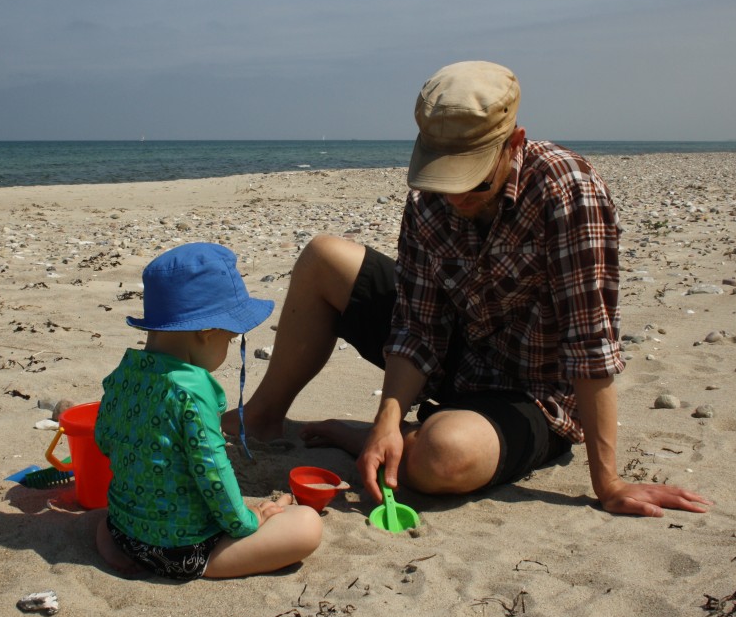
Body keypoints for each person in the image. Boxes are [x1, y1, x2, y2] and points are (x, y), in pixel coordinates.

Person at [225, 61, 711, 518]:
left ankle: (376, 438)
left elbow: (590, 341)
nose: (454, 196)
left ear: (514, 142)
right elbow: (416, 324)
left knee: (440, 458)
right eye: (443, 178)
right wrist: (389, 415)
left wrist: (608, 484)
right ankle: (266, 418)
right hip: (451, 355)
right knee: (323, 257)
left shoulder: (567, 190)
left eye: (472, 181)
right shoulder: (430, 200)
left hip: (530, 391)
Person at [94, 242, 322, 581]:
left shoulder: (122, 376)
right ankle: (210, 564)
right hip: (181, 551)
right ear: (206, 333)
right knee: (306, 525)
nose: (228, 348)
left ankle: (109, 540)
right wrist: (251, 518)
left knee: (107, 515)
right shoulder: (191, 391)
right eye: (230, 340)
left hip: (122, 532)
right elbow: (213, 470)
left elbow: (103, 441)